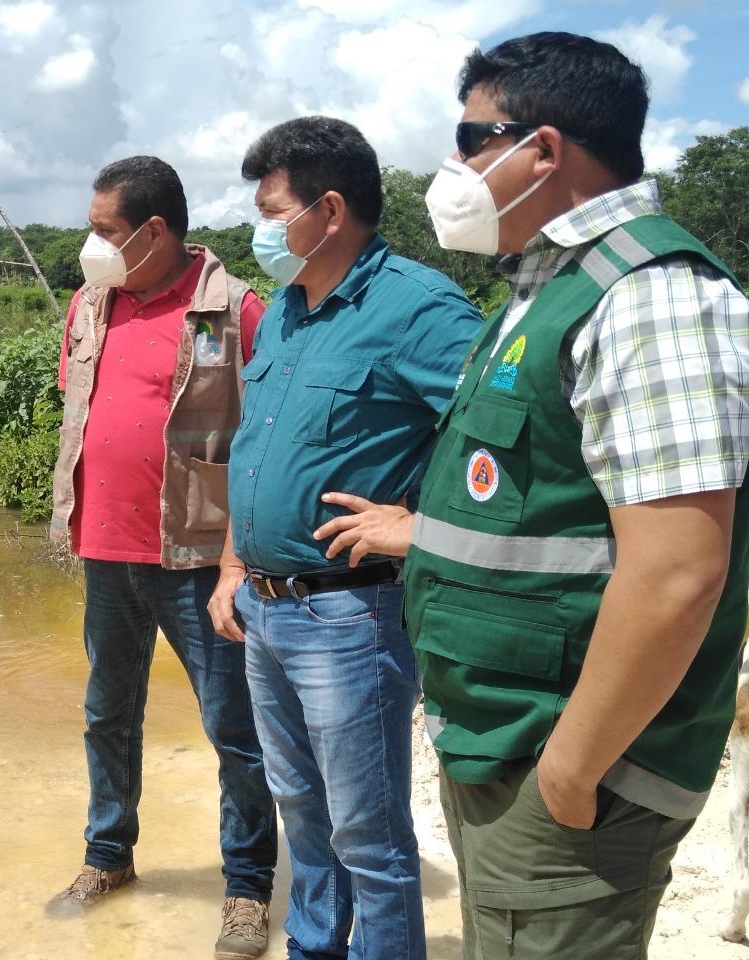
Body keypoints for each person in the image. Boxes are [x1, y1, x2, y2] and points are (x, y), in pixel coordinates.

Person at [315, 32, 749, 959]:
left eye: (472, 139)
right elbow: (550, 512)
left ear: (542, 150)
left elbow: (678, 573)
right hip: (504, 743)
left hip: (573, 762)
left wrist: (572, 768)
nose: (455, 167)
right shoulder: (543, 291)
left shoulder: (649, 297)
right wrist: (422, 531)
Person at [207, 117, 481, 960]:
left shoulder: (419, 308)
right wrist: (231, 566)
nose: (260, 228)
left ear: (329, 211)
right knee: (307, 821)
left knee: (370, 836)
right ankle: (312, 949)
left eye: (271, 209)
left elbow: (511, 445)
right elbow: (258, 453)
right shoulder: (286, 311)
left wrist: (419, 528)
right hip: (266, 609)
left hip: (351, 618)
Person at [48, 155, 278, 960]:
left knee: (234, 730)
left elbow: (265, 441)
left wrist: (235, 562)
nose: (92, 245)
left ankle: (247, 888)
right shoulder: (89, 304)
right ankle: (108, 857)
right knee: (108, 714)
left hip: (197, 560)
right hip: (106, 554)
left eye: (106, 230)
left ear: (154, 232)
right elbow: (82, 410)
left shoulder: (235, 310)